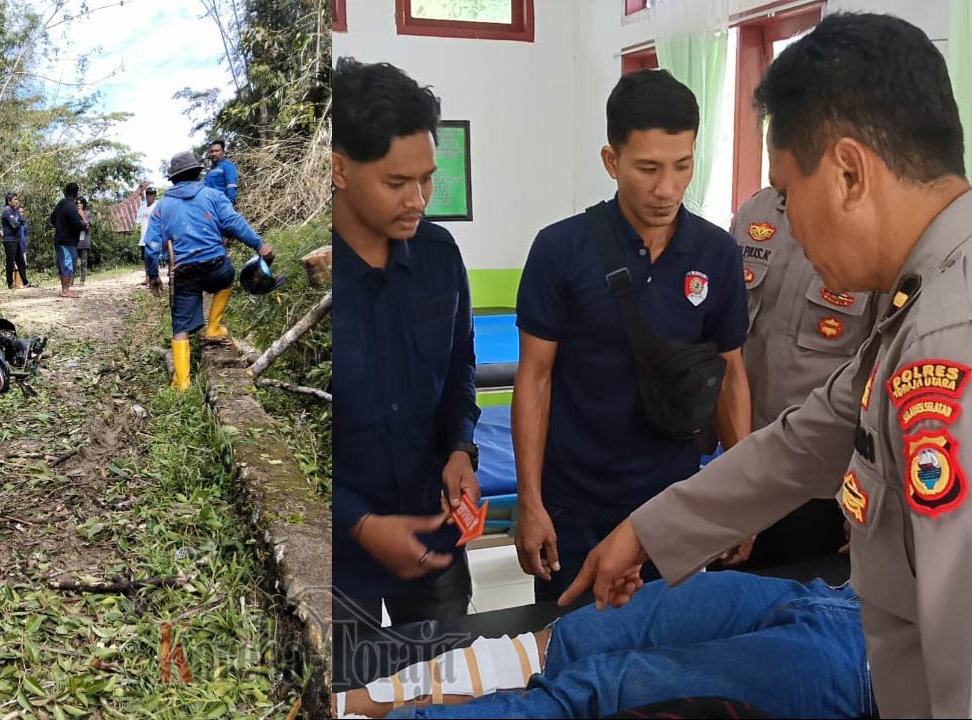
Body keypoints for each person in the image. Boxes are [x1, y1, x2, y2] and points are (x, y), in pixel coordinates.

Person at [560, 13, 972, 717]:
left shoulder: (948, 337)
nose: (784, 221)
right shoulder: (922, 300)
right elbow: (804, 440)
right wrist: (646, 532)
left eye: (786, 192)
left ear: (848, 173)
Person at [512, 69, 751, 603]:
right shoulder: (560, 250)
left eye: (682, 166)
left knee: (670, 663)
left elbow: (732, 373)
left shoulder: (716, 253)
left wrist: (741, 502)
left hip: (675, 507)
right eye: (647, 168)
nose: (666, 188)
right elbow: (535, 376)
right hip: (575, 506)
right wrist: (531, 502)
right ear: (611, 161)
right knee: (569, 657)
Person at [331, 58, 481, 637]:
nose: (419, 199)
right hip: (340, 556)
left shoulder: (440, 259)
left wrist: (461, 450)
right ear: (340, 169)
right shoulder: (311, 286)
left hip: (433, 529)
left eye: (427, 179)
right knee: (351, 691)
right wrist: (359, 522)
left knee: (446, 680)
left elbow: (460, 364)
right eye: (397, 183)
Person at [339, 571, 872, 719]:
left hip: (878, 669)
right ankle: (349, 705)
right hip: (845, 599)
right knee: (568, 641)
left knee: (599, 691)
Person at [723, 183, 882, 569]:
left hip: (823, 485)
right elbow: (726, 350)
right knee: (732, 605)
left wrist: (865, 488)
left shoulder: (872, 226)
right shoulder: (754, 214)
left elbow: (881, 372)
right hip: (747, 464)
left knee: (805, 605)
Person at [143, 150, 273, 390]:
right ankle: (213, 327)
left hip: (183, 271)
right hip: (216, 266)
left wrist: (152, 276)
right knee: (228, 276)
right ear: (197, 173)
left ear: (173, 179)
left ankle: (182, 382)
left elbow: (151, 246)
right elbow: (234, 223)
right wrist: (259, 244)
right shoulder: (213, 195)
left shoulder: (161, 207)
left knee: (180, 326)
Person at [48, 182, 86, 298]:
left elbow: (52, 219)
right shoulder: (71, 206)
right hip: (67, 241)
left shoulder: (60, 204)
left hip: (59, 238)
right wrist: (83, 224)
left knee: (63, 263)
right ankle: (66, 290)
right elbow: (76, 223)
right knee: (68, 264)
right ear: (76, 193)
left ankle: (65, 288)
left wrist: (60, 226)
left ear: (65, 192)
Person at [0, 192, 30, 290]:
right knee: (10, 261)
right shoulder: (6, 211)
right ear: (9, 201)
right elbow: (15, 225)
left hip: (17, 239)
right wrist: (18, 222)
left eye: (17, 199)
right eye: (14, 200)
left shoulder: (15, 211)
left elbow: (22, 220)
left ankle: (25, 282)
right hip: (9, 239)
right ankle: (10, 283)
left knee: (20, 261)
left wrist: (18, 222)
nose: (16, 201)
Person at [204, 139, 239, 206]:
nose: (214, 154)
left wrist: (228, 208)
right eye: (211, 151)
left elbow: (231, 188)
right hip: (210, 207)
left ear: (223, 152)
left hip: (221, 207)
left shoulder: (228, 166)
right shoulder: (210, 170)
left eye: (217, 151)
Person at [136, 185, 158, 256]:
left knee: (154, 261)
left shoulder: (157, 206)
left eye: (152, 194)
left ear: (155, 195)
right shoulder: (143, 207)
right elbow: (138, 221)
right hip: (143, 239)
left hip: (154, 238)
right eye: (148, 194)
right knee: (146, 261)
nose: (149, 196)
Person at [75, 196, 92, 286]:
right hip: (75, 241)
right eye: (77, 203)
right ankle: (70, 282)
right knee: (73, 262)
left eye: (80, 203)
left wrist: (82, 216)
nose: (79, 205)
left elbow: (87, 226)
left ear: (84, 204)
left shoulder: (88, 213)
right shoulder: (73, 213)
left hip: (84, 241)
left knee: (83, 262)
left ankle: (82, 281)